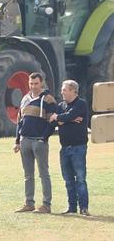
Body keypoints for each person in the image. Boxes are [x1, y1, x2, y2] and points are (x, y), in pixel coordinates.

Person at [14, 72, 56, 214]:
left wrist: (43, 138)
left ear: (42, 83)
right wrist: (17, 141)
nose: (33, 86)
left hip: (39, 141)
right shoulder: (25, 98)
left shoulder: (49, 99)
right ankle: (29, 203)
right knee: (28, 175)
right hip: (25, 140)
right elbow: (19, 121)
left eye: (36, 83)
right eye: (31, 84)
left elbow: (52, 122)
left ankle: (46, 204)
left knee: (43, 174)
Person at [54, 79, 89, 216]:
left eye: (65, 89)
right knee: (68, 180)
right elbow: (55, 118)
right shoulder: (61, 105)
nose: (62, 92)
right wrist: (67, 119)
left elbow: (69, 116)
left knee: (80, 179)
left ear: (73, 91)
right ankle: (72, 207)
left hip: (78, 148)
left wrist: (64, 119)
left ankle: (84, 208)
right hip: (65, 148)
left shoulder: (81, 104)